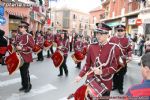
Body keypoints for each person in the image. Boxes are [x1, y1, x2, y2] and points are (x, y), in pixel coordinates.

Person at [75, 23, 121, 98]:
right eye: (97, 33)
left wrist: (101, 71)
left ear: (107, 35)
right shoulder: (91, 47)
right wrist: (80, 75)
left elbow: (114, 67)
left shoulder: (114, 48)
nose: (98, 36)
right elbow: (87, 64)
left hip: (105, 82)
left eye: (101, 34)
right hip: (92, 79)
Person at [110, 24, 132, 94]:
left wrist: (130, 55)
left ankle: (120, 88)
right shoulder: (112, 39)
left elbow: (129, 50)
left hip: (122, 61)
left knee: (121, 76)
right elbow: (108, 48)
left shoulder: (127, 40)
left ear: (124, 31)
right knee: (114, 74)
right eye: (118, 30)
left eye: (121, 30)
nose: (119, 32)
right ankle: (115, 85)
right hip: (114, 61)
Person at [16, 21, 35, 93]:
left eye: (21, 27)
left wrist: (22, 48)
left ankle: (28, 86)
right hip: (20, 57)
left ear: (25, 28)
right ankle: (24, 85)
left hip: (26, 57)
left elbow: (32, 47)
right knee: (21, 72)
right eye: (19, 27)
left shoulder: (29, 36)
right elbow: (19, 45)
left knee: (25, 72)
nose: (20, 28)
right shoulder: (20, 36)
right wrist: (16, 46)